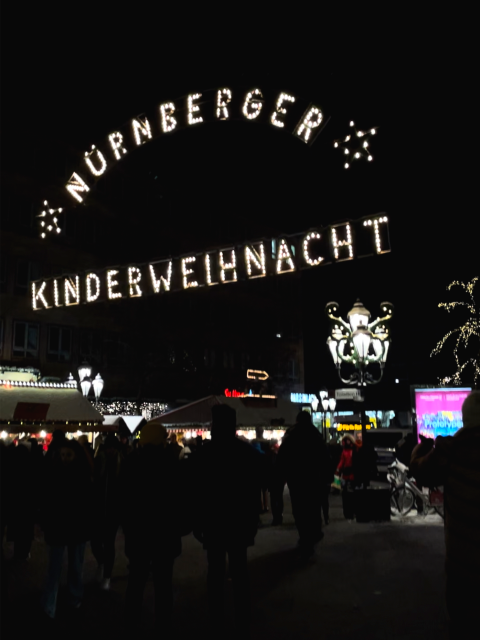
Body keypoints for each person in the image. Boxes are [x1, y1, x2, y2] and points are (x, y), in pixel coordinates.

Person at [410, 391, 480, 639]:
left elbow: (422, 472)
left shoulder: (452, 449)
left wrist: (419, 450)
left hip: (462, 556)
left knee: (462, 619)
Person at [193, 404, 262, 635]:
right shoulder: (247, 453)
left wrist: (197, 521)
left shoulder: (204, 453)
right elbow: (254, 491)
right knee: (239, 571)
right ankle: (243, 620)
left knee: (215, 572)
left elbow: (197, 492)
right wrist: (253, 520)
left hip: (213, 521)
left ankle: (216, 619)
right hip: (239, 521)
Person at [121, 423, 183, 634]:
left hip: (138, 533)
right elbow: (179, 500)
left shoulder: (132, 462)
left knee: (136, 580)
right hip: (165, 533)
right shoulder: (170, 463)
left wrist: (127, 528)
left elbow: (124, 501)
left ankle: (131, 622)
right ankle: (163, 624)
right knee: (163, 583)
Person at [40, 438, 93, 620]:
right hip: (64, 527)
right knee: (58, 567)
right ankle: (55, 602)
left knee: (72, 566)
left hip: (71, 527)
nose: (64, 458)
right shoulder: (57, 473)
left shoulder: (80, 476)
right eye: (62, 455)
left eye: (68, 455)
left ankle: (66, 599)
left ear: (76, 456)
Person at [276, 411, 331, 558]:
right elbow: (325, 457)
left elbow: (282, 456)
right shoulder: (316, 434)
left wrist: (283, 473)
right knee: (313, 508)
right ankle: (312, 535)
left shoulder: (291, 435)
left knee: (300, 509)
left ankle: (305, 536)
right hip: (313, 477)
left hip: (296, 478)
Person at [91, 434, 123, 590]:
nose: (110, 450)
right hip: (98, 508)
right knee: (95, 541)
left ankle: (107, 576)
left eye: (112, 448)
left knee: (109, 543)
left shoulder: (122, 462)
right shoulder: (99, 460)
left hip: (113, 511)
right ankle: (102, 563)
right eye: (108, 447)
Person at [336, 435, 357, 521]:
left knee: (349, 495)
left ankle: (350, 512)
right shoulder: (346, 451)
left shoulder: (353, 451)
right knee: (347, 495)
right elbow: (342, 461)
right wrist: (338, 471)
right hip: (347, 474)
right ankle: (348, 512)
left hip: (350, 474)